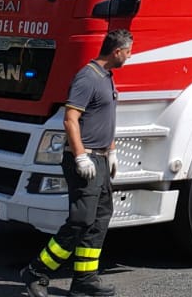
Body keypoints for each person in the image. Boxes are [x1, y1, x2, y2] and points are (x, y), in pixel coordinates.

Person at [21, 29, 134, 296]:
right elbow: (70, 119)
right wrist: (80, 155)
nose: (130, 56)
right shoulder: (87, 77)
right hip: (86, 160)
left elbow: (105, 118)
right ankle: (36, 271)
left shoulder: (106, 77)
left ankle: (84, 280)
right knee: (81, 220)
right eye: (128, 51)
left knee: (99, 218)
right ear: (117, 51)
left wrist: (112, 150)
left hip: (101, 159)